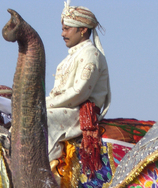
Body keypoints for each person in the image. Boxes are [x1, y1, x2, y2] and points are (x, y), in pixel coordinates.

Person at [47, 1, 111, 166]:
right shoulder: (65, 61)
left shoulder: (91, 54)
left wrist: (45, 104)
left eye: (67, 29)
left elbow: (79, 93)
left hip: (80, 111)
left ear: (82, 30)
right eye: (63, 29)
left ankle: (45, 171)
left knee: (39, 119)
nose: (62, 34)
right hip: (63, 108)